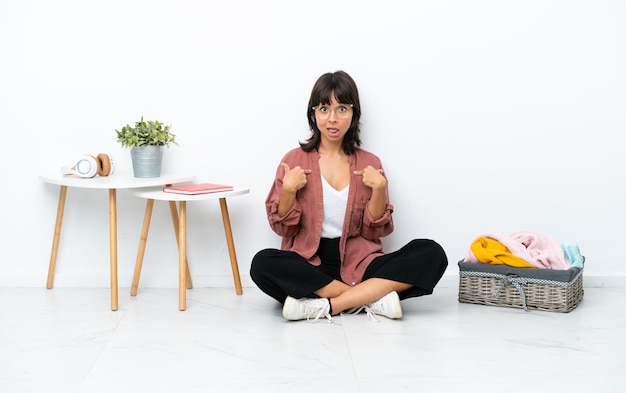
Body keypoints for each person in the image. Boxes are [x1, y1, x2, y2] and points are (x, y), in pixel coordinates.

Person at [250, 70, 448, 322]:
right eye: (324, 109)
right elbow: (283, 230)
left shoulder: (370, 163)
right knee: (262, 263)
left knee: (432, 252)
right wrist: (288, 191)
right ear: (313, 113)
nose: (332, 119)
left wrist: (378, 190)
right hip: (310, 263)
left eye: (342, 109)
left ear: (354, 113)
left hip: (360, 262)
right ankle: (371, 299)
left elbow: (374, 232)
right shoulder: (293, 160)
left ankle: (328, 305)